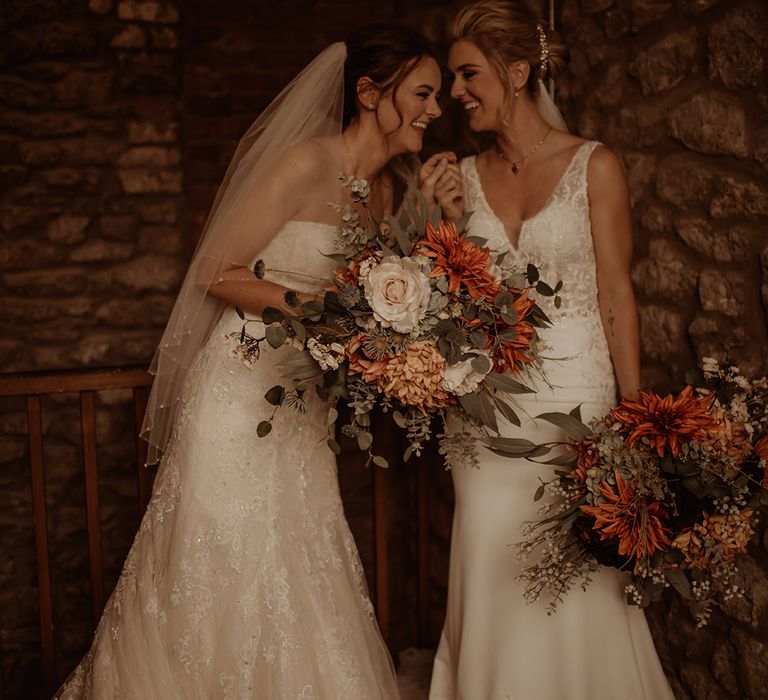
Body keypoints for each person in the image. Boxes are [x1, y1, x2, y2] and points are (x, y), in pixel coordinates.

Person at [56, 24, 443, 699]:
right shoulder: (303, 163)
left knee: (300, 564)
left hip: (301, 413)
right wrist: (313, 305)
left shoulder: (385, 197)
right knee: (216, 568)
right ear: (370, 93)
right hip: (237, 397)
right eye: (423, 93)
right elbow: (213, 270)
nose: (435, 110)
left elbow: (377, 306)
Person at [426, 2, 676, 698]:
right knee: (489, 553)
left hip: (579, 407)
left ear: (517, 71)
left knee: (583, 579)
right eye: (451, 79)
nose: (455, 93)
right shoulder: (462, 178)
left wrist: (634, 422)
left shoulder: (594, 166)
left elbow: (618, 298)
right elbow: (455, 303)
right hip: (487, 414)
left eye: (468, 74)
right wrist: (441, 223)